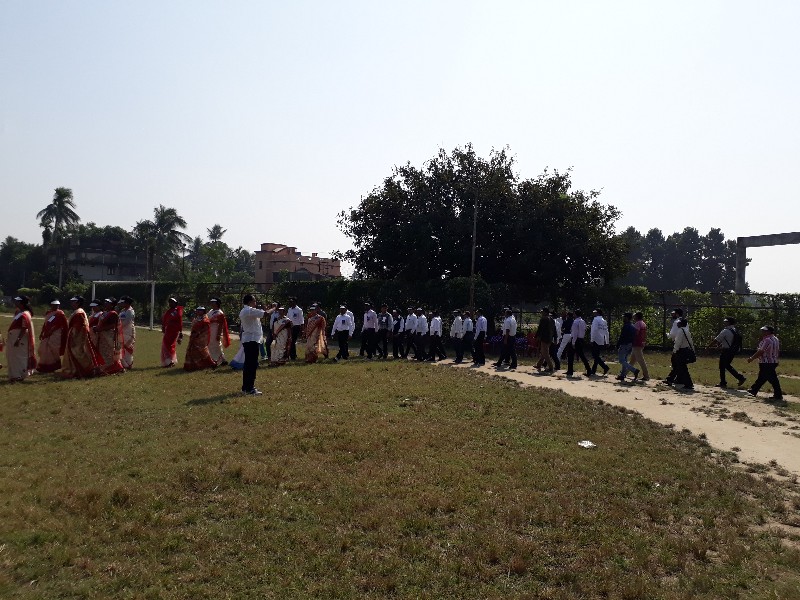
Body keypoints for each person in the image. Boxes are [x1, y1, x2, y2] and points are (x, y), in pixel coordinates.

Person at [62, 296, 103, 379]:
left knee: (78, 353)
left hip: (77, 336)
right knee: (74, 352)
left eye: (74, 302)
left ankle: (89, 369)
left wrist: (73, 336)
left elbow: (78, 326)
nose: (72, 303)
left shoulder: (79, 312)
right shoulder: (78, 312)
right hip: (75, 334)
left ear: (78, 303)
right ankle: (76, 370)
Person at [239, 295, 270, 395]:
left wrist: (265, 309)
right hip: (251, 340)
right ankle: (250, 388)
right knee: (252, 365)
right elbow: (265, 314)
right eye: (254, 301)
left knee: (249, 364)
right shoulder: (249, 310)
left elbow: (260, 313)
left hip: (250, 340)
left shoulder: (246, 311)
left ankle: (246, 387)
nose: (255, 303)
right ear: (250, 302)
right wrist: (274, 308)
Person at [747, 326, 783, 401]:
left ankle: (778, 395)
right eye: (762, 330)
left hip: (766, 362)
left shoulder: (767, 340)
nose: (763, 332)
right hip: (773, 361)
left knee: (772, 379)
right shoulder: (775, 339)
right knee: (762, 377)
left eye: (765, 331)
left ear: (769, 331)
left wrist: (752, 358)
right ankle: (754, 390)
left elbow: (761, 351)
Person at [708, 316, 746, 388]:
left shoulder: (725, 331)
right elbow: (728, 340)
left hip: (726, 351)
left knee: (723, 366)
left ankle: (738, 378)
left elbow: (716, 340)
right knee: (725, 365)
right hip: (733, 350)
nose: (724, 323)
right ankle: (725, 382)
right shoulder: (735, 330)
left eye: (726, 322)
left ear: (729, 322)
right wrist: (720, 346)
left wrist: (708, 347)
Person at [6, 295, 36, 381]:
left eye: (17, 301)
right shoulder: (19, 312)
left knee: (19, 356)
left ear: (21, 303)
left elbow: (24, 327)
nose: (15, 302)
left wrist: (18, 339)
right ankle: (15, 374)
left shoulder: (25, 314)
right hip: (13, 337)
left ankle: (19, 375)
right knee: (13, 356)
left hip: (20, 338)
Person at [94, 298, 125, 375]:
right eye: (105, 302)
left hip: (108, 335)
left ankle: (109, 368)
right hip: (101, 335)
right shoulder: (104, 313)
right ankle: (103, 367)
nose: (105, 303)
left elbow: (112, 325)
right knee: (102, 351)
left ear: (112, 305)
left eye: (107, 302)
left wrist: (100, 329)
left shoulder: (113, 313)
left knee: (109, 352)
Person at [37, 299, 68, 373]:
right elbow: (46, 324)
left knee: (53, 348)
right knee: (43, 348)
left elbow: (61, 324)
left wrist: (51, 331)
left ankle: (54, 365)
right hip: (47, 333)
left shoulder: (60, 313)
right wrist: (42, 332)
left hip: (55, 333)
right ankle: (44, 365)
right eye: (54, 305)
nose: (56, 306)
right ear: (51, 305)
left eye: (57, 305)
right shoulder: (49, 313)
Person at [183, 306, 217, 371]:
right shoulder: (196, 318)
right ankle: (193, 365)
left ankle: (211, 363)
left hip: (200, 339)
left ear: (203, 311)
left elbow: (206, 330)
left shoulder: (205, 319)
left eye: (200, 310)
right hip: (193, 337)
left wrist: (198, 333)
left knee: (202, 351)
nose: (198, 312)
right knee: (192, 351)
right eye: (197, 310)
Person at [666, 314, 694, 390]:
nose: (677, 323)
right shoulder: (686, 331)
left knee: (681, 367)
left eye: (678, 322)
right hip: (686, 350)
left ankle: (688, 383)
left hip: (681, 351)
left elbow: (678, 342)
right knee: (678, 366)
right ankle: (670, 379)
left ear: (681, 324)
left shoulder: (680, 331)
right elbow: (690, 342)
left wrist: (674, 351)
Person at [615, 312, 640, 381]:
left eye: (624, 317)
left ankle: (634, 370)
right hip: (630, 344)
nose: (623, 318)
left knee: (621, 360)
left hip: (624, 344)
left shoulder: (626, 326)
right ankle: (622, 375)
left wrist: (618, 344)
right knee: (624, 360)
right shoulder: (633, 326)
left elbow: (622, 336)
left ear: (627, 318)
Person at [567, 309, 591, 377]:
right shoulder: (583, 321)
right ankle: (589, 369)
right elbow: (584, 330)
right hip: (581, 339)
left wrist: (573, 342)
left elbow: (575, 333)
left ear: (575, 314)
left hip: (576, 339)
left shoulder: (575, 322)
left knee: (570, 355)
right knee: (582, 355)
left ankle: (570, 371)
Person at [207, 298, 231, 367]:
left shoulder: (219, 313)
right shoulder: (211, 311)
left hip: (215, 329)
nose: (211, 303)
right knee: (210, 345)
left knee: (216, 344)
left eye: (213, 302)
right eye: (211, 302)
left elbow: (221, 324)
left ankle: (217, 360)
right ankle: (221, 359)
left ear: (217, 303)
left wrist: (218, 334)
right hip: (210, 329)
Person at [161, 297, 184, 367]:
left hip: (174, 331)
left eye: (172, 302)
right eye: (169, 302)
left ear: (175, 303)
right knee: (166, 345)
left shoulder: (177, 311)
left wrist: (181, 332)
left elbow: (180, 321)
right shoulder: (168, 311)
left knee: (169, 345)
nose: (170, 304)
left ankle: (170, 361)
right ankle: (169, 361)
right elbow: (164, 320)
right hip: (168, 330)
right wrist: (163, 327)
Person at [629, 311, 650, 381]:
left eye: (635, 316)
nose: (633, 317)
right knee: (632, 360)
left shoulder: (637, 323)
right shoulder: (643, 323)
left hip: (637, 343)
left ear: (637, 317)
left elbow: (636, 333)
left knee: (641, 360)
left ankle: (646, 376)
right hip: (641, 343)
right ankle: (624, 373)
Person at [589, 309, 610, 376]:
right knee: (596, 355)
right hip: (601, 340)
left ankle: (605, 367)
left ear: (598, 313)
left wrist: (592, 340)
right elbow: (606, 332)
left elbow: (594, 330)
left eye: (595, 312)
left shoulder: (595, 320)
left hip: (595, 339)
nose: (593, 313)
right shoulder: (604, 321)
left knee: (595, 355)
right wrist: (607, 341)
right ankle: (593, 370)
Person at [118, 296, 136, 370]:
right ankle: (124, 364)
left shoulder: (130, 311)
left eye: (123, 303)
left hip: (128, 331)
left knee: (127, 347)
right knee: (121, 347)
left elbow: (127, 322)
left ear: (127, 303)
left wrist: (119, 326)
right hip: (121, 331)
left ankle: (128, 363)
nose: (121, 304)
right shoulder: (123, 310)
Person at [535, 308, 555, 372]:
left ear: (545, 312)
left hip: (544, 338)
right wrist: (554, 337)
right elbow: (554, 330)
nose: (541, 313)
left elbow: (540, 328)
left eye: (542, 312)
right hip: (550, 338)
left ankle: (551, 367)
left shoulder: (544, 319)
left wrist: (537, 336)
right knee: (543, 352)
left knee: (545, 353)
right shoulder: (552, 319)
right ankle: (538, 364)